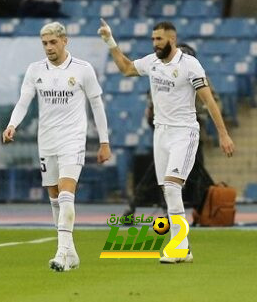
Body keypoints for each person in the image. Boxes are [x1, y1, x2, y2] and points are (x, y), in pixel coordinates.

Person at [98, 19, 235, 264]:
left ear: (171, 39)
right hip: (160, 134)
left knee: (172, 187)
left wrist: (223, 134)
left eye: (158, 39)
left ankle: (179, 247)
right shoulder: (152, 62)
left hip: (184, 132)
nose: (154, 44)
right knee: (168, 191)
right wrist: (110, 40)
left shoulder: (189, 65)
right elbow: (127, 68)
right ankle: (183, 247)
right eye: (152, 39)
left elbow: (209, 101)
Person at [2, 21, 111, 272]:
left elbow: (97, 106)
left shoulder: (83, 69)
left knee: (65, 194)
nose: (48, 47)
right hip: (47, 141)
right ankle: (71, 253)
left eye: (52, 42)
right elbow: (24, 101)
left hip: (72, 139)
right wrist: (12, 125)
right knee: (54, 199)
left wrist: (104, 142)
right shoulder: (35, 70)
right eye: (44, 43)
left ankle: (61, 253)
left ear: (65, 41)